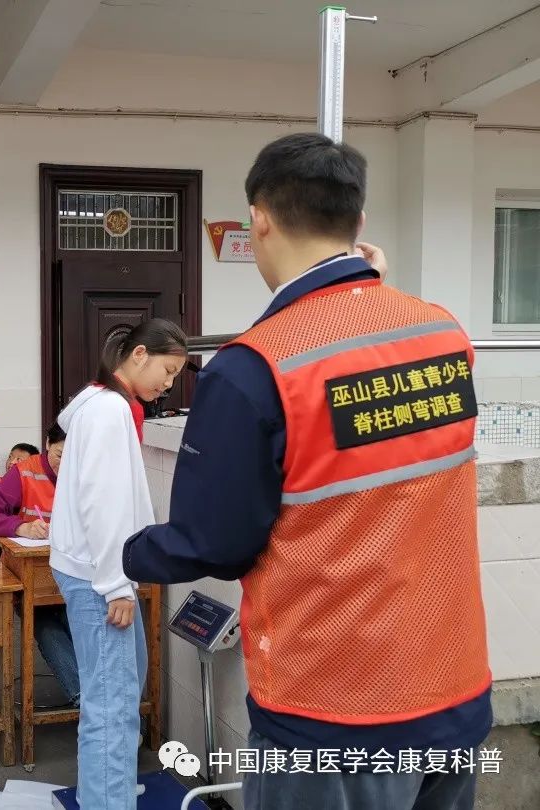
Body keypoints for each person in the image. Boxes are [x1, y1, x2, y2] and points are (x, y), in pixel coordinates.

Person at [124, 134, 490, 810]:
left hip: (332, 712)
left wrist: (122, 551)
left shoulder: (254, 368)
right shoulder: (443, 334)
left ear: (259, 219)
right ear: (359, 221)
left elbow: (215, 543)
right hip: (453, 694)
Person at [50, 318, 187, 810]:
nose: (168, 385)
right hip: (98, 576)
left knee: (115, 699)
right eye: (167, 371)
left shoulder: (98, 402)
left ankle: (106, 794)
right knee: (111, 707)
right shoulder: (109, 410)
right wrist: (115, 585)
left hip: (92, 568)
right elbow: (104, 502)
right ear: (139, 355)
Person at [0, 424, 80, 705]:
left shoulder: (86, 472)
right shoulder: (24, 472)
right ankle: (88, 699)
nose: (65, 464)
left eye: (73, 455)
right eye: (60, 455)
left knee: (83, 624)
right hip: (31, 579)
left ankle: (99, 702)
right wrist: (21, 527)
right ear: (47, 444)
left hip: (74, 579)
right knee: (45, 625)